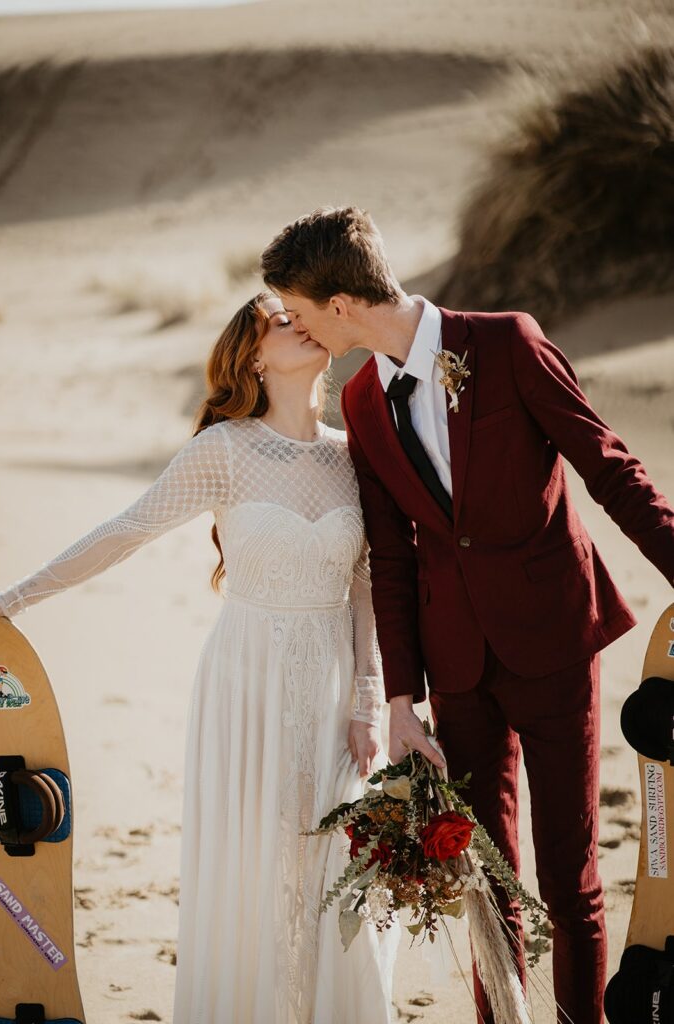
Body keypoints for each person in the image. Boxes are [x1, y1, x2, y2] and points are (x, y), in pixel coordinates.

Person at [260, 206, 674, 1024]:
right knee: (484, 875)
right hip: (455, 667)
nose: (296, 324)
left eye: (300, 308)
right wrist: (402, 699)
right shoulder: (363, 403)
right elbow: (393, 556)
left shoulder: (507, 343)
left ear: (340, 303)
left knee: (568, 870)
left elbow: (607, 464)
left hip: (554, 638)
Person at [0, 291, 401, 1024]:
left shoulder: (353, 455)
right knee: (254, 870)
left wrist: (369, 698)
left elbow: (369, 586)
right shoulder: (227, 451)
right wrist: (13, 599)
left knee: (338, 874)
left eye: (303, 313)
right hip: (244, 684)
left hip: (334, 688)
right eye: (282, 321)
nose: (301, 322)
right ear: (252, 356)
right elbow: (124, 531)